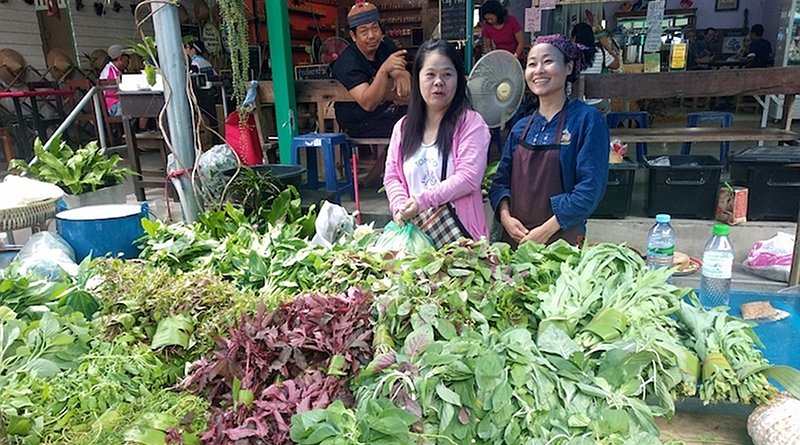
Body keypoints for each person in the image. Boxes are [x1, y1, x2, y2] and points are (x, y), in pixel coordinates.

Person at [488, 34, 609, 248]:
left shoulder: (587, 121)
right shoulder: (520, 127)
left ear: (569, 67)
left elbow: (590, 189)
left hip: (562, 241)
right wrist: (506, 218)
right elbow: (500, 182)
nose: (538, 70)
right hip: (516, 239)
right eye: (532, 64)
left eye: (548, 61)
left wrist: (546, 230)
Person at [384, 39, 491, 242]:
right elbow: (392, 177)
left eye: (447, 74)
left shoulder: (471, 124)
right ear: (418, 79)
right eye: (430, 74)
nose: (439, 82)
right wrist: (400, 206)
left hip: (460, 242)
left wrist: (421, 202)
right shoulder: (403, 127)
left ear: (459, 80)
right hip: (415, 239)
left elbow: (468, 177)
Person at [331, 0, 411, 187]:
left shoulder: (385, 46)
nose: (371, 36)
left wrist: (401, 73)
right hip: (359, 120)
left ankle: (373, 180)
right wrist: (384, 70)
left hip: (383, 112)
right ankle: (386, 180)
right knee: (410, 128)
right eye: (364, 31)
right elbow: (368, 102)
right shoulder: (347, 63)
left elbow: (399, 63)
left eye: (374, 28)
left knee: (420, 118)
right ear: (353, 35)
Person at [571, 22, 620, 113]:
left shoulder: (569, 54)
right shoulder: (600, 52)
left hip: (573, 102)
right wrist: (607, 47)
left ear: (574, 38)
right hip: (596, 103)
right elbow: (616, 65)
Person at [99, 44, 131, 117]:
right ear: (120, 59)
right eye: (127, 57)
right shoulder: (110, 71)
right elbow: (113, 92)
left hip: (114, 105)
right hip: (114, 106)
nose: (129, 60)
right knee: (141, 104)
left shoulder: (114, 69)